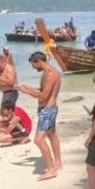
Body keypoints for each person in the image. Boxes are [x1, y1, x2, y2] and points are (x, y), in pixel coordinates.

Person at [20, 51, 63, 179]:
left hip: (47, 110)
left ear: (38, 61)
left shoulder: (50, 74)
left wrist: (27, 91)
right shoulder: (49, 72)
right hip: (50, 108)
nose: (34, 68)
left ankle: (51, 169)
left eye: (34, 65)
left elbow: (44, 96)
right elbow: (43, 91)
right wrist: (26, 88)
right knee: (52, 135)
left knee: (38, 140)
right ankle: (58, 163)